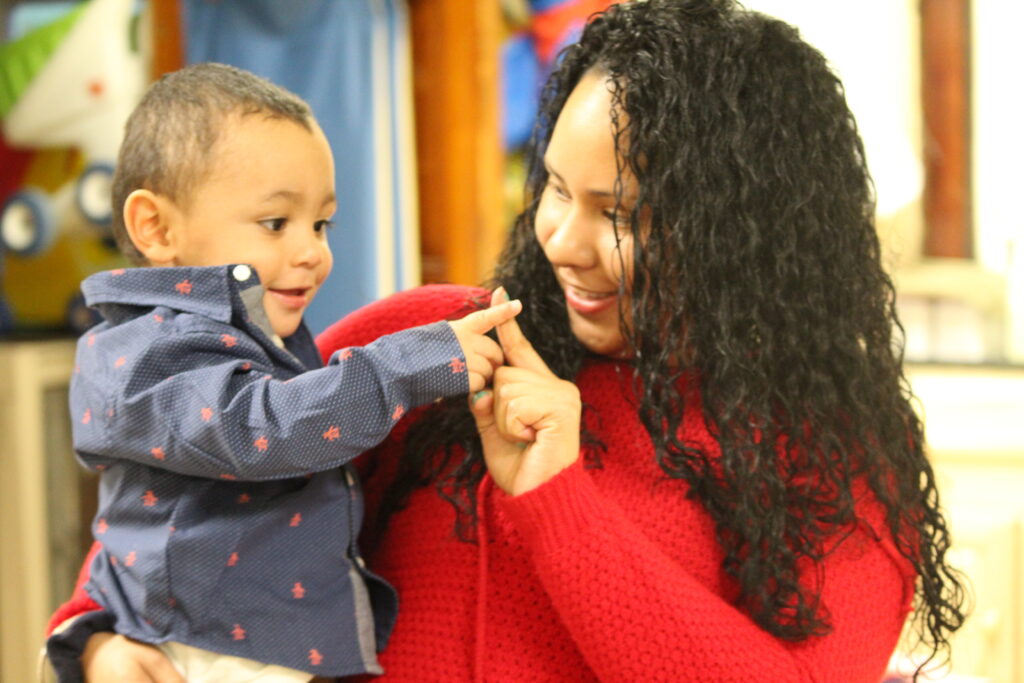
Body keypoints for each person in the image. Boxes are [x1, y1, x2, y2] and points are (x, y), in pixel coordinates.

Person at [48, 1, 967, 681]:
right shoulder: (426, 346)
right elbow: (172, 507)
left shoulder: (835, 456)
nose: (560, 238)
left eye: (623, 213)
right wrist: (94, 645)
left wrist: (558, 501)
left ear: (748, 231)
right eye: (557, 189)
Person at [43, 62, 523, 682]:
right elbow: (260, 428)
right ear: (156, 228)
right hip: (201, 653)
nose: (312, 251)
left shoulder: (248, 339)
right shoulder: (144, 353)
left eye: (321, 223)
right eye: (276, 223)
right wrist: (409, 365)